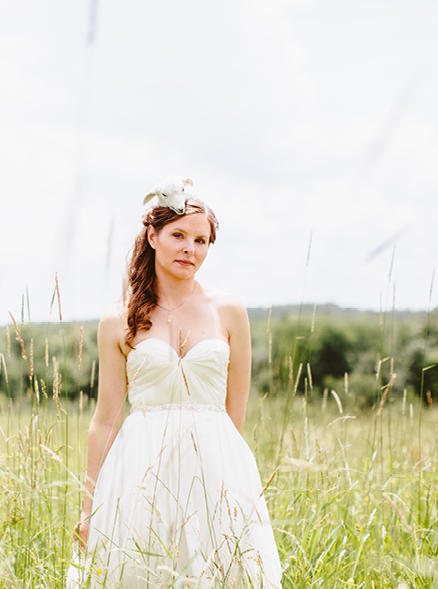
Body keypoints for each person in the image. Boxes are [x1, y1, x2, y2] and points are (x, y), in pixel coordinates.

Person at [69, 179, 283, 588]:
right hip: (140, 470)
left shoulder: (229, 310)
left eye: (201, 241)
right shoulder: (118, 319)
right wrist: (89, 508)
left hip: (214, 467)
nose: (190, 249)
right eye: (179, 236)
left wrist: (229, 487)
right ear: (153, 236)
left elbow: (234, 415)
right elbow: (106, 420)